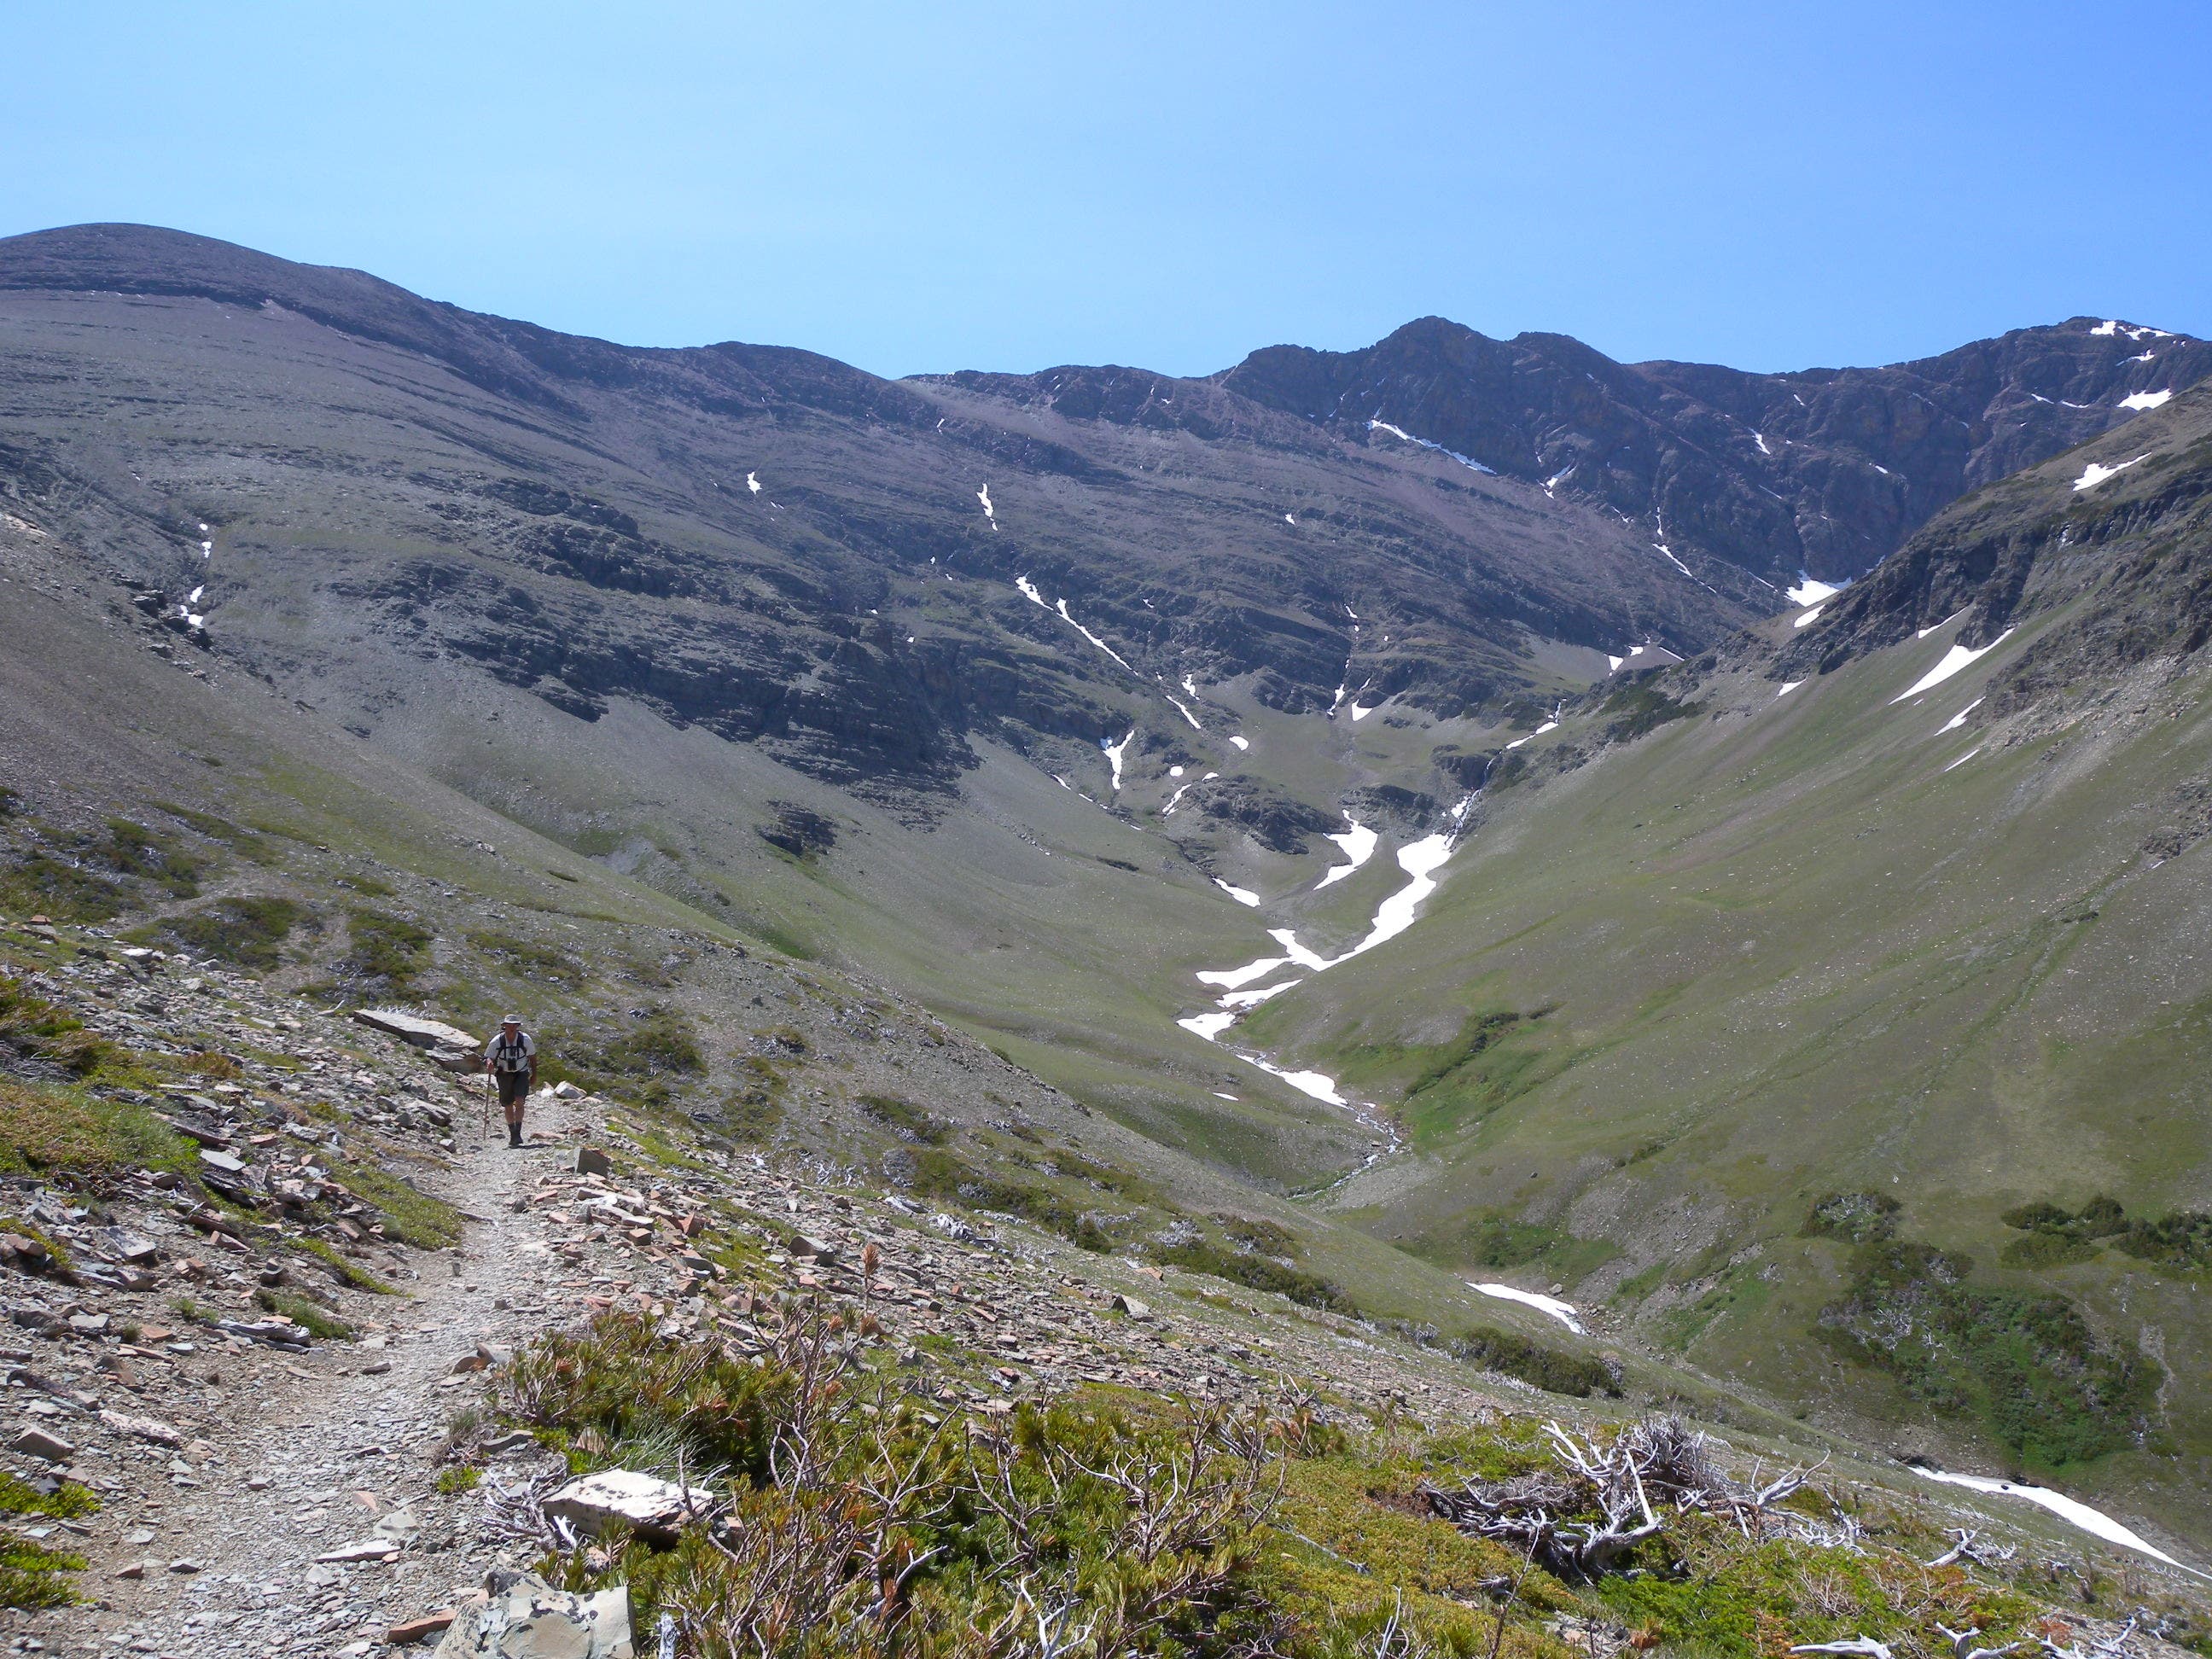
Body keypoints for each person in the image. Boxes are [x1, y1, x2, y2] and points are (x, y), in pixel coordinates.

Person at [484, 1015, 536, 1147]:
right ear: (504, 1026)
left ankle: (517, 1133)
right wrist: (489, 1063)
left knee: (519, 1101)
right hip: (504, 1074)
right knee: (507, 1104)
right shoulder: (497, 1041)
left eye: (514, 1025)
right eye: (509, 1025)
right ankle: (513, 1133)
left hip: (521, 1073)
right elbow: (488, 1057)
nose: (511, 1028)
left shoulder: (525, 1040)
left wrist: (534, 1075)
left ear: (517, 1026)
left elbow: (533, 1058)